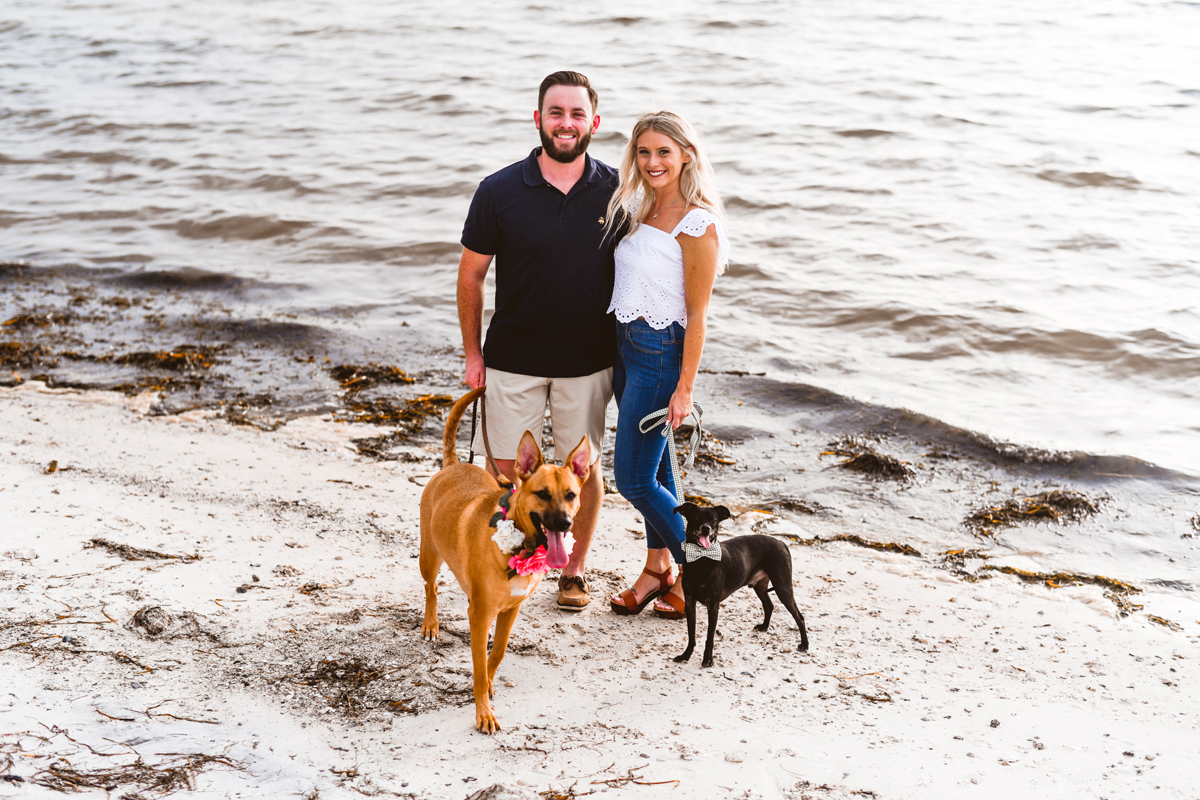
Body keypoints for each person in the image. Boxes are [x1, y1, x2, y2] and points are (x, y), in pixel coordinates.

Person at [457, 71, 618, 611]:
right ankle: (509, 561)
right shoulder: (499, 190)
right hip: (514, 359)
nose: (566, 124)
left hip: (588, 362)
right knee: (505, 473)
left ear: (594, 122)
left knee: (582, 475)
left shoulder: (620, 191)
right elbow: (471, 276)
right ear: (538, 119)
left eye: (577, 114)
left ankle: (571, 571)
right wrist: (473, 353)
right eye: (556, 113)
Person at [604, 110, 728, 620]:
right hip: (622, 350)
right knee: (658, 471)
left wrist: (685, 389)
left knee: (632, 478)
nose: (653, 161)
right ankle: (662, 576)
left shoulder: (697, 222)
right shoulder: (637, 208)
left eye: (664, 152)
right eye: (644, 151)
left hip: (658, 355)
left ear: (686, 157)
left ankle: (704, 565)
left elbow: (698, 314)